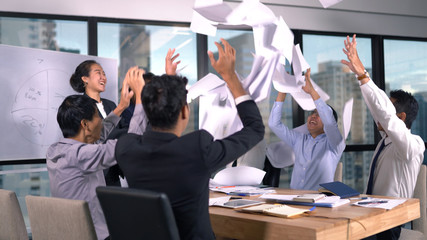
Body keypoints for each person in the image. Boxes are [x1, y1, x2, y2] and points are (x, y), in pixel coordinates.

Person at [115, 38, 265, 240]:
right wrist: (230, 77)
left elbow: (143, 124)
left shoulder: (126, 148)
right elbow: (255, 128)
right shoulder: (197, 149)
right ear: (184, 112)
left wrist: (153, 91)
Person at [47, 67, 147, 240]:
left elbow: (98, 136)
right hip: (95, 235)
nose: (101, 121)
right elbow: (130, 143)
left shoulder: (56, 151)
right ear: (85, 124)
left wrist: (122, 106)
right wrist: (139, 100)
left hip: (68, 233)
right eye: (98, 118)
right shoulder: (83, 155)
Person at [341, 34, 425, 240]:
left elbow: (385, 114)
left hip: (390, 222)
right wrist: (360, 78)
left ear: (401, 117)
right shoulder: (386, 141)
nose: (380, 113)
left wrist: (363, 74)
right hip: (371, 213)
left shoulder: (413, 145)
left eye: (390, 106)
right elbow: (377, 108)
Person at [268, 68, 346, 190]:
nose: (313, 116)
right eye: (312, 113)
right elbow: (274, 124)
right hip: (294, 199)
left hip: (319, 201)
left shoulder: (335, 145)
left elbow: (330, 123)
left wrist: (311, 92)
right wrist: (282, 90)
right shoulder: (299, 139)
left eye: (319, 114)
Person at [70, 60, 127, 186]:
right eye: (98, 73)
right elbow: (90, 139)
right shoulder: (79, 106)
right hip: (96, 173)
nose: (103, 77)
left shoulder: (111, 104)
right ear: (85, 79)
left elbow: (124, 130)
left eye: (104, 74)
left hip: (114, 170)